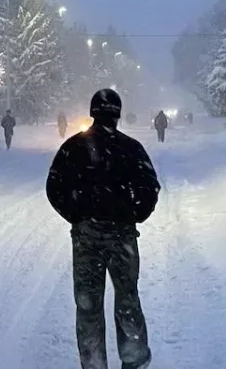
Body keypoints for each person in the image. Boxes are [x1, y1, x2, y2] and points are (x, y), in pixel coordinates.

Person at [46, 88, 161, 369]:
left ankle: (94, 363)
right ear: (118, 114)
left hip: (86, 238)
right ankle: (134, 358)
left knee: (88, 306)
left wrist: (76, 215)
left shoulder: (73, 147)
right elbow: (150, 188)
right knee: (128, 300)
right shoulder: (131, 148)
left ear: (92, 112)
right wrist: (134, 214)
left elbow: (54, 187)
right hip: (122, 237)